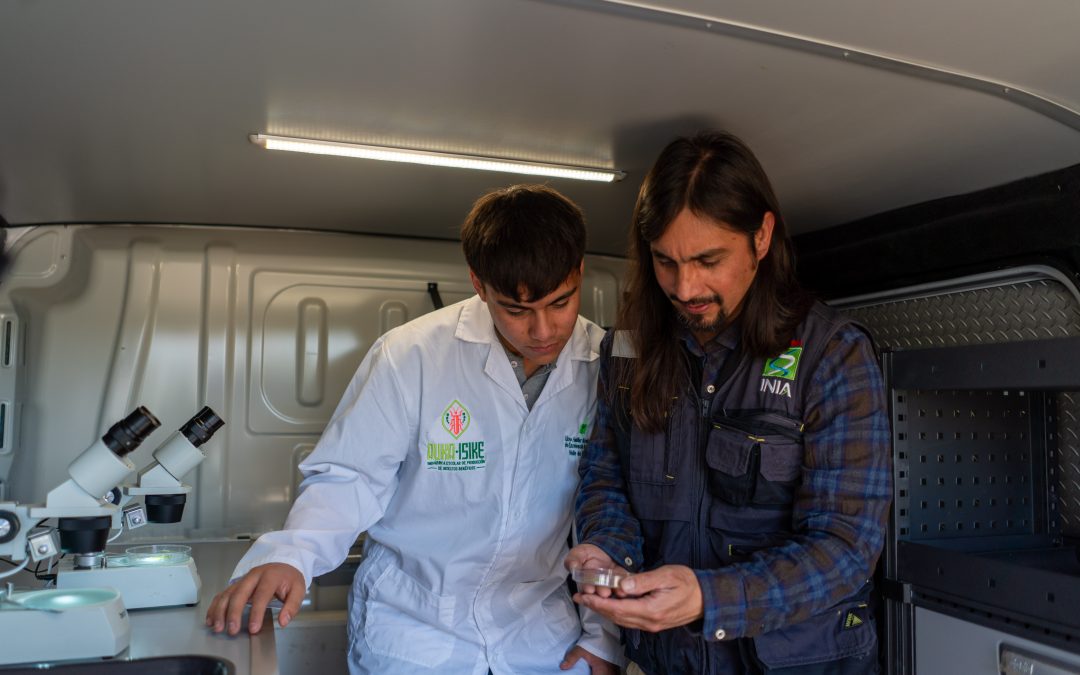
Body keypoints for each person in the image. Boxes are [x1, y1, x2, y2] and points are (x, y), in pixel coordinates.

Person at [206, 184, 621, 674]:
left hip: (540, 634)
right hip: (414, 628)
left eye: (560, 303)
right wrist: (293, 554)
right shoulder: (411, 355)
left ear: (578, 275)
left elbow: (611, 510)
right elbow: (350, 477)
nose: (544, 331)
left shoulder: (608, 365)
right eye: (516, 310)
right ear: (478, 284)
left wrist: (602, 638)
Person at [566, 131, 891, 674]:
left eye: (707, 260)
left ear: (762, 237)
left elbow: (845, 547)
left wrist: (708, 598)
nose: (685, 286)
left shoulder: (831, 355)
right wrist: (606, 553)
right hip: (667, 659)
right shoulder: (630, 349)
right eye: (665, 262)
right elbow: (605, 477)